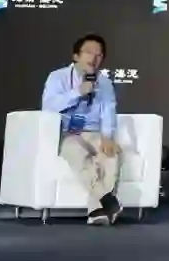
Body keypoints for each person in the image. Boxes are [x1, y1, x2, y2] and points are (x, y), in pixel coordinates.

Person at [41, 33, 122, 225]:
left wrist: (107, 137)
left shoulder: (104, 82)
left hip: (94, 132)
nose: (94, 58)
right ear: (76, 56)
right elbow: (49, 107)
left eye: (99, 55)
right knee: (77, 153)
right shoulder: (58, 77)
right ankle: (106, 199)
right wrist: (77, 92)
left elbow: (109, 111)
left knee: (111, 155)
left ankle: (97, 210)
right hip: (68, 132)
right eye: (89, 52)